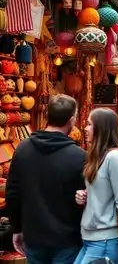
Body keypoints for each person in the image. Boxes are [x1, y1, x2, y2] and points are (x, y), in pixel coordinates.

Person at [6, 94, 86, 263]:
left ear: (47, 116)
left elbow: (13, 193)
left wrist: (17, 228)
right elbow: (85, 200)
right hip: (67, 238)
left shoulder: (22, 149)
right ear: (71, 120)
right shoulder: (79, 156)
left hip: (34, 235)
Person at [74, 108, 118, 264]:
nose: (85, 128)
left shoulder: (114, 158)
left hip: (105, 240)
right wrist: (84, 195)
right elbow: (104, 191)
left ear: (101, 129)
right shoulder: (98, 157)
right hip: (92, 237)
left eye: (89, 124)